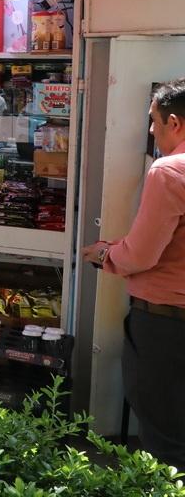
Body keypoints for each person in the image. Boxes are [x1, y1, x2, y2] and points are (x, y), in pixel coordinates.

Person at [83, 79, 185, 468]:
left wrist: (104, 253)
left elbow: (141, 255)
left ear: (174, 123)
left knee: (166, 439)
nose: (151, 130)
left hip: (166, 325)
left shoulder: (169, 171)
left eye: (153, 121)